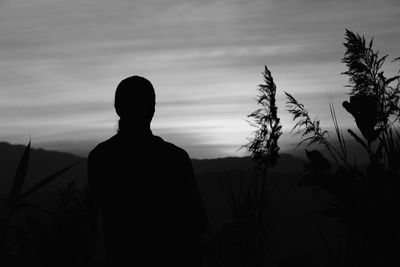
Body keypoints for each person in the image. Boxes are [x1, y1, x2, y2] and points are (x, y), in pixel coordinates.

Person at [87, 76, 209, 266]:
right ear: (152, 109)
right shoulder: (174, 158)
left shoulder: (100, 157)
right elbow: (198, 222)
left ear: (118, 108)